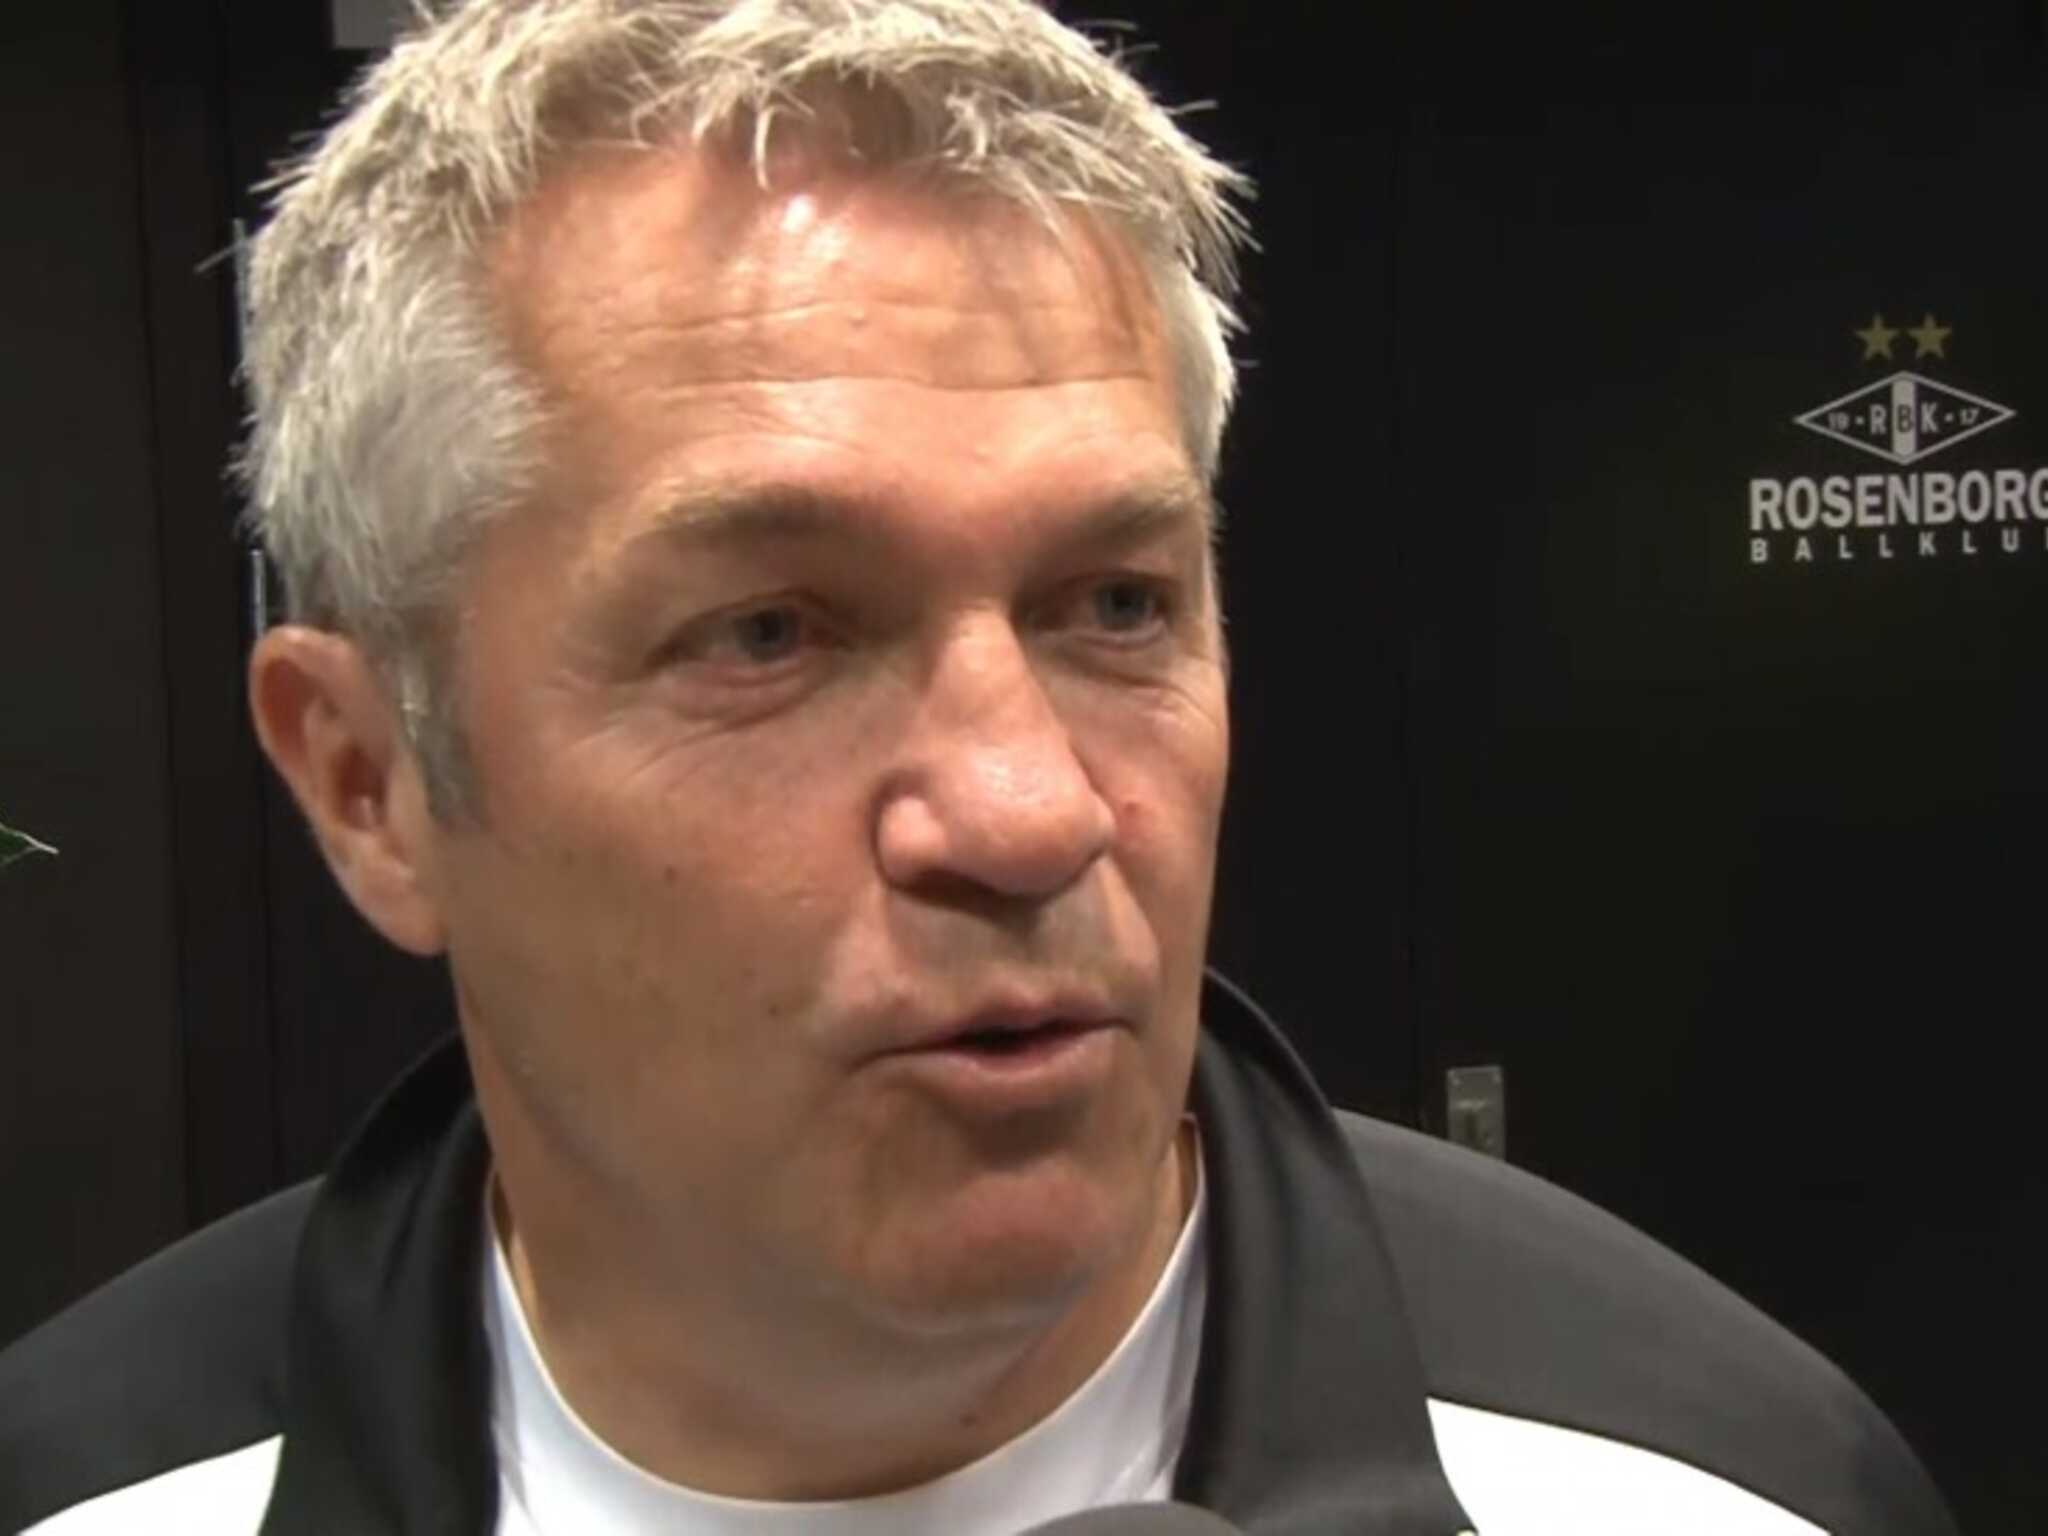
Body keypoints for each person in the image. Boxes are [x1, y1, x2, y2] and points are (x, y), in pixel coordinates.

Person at [0, 3, 1959, 1533]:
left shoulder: (1710, 1490)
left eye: (1114, 604)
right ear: (368, 783)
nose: (1029, 811)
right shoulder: (87, 1495)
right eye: (769, 634)